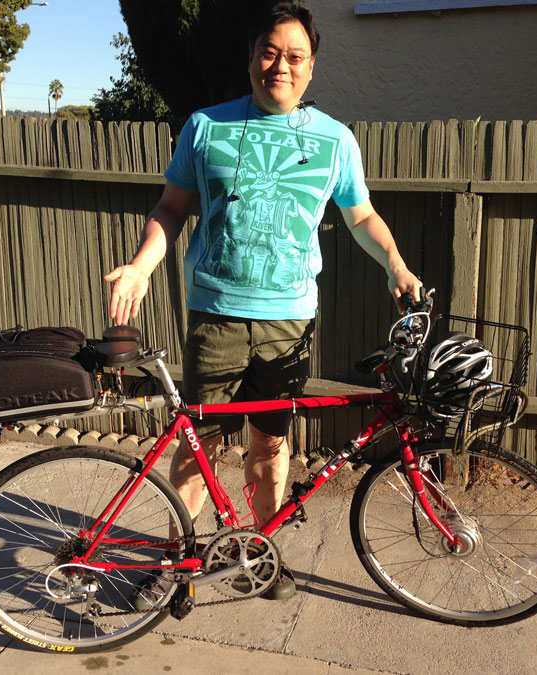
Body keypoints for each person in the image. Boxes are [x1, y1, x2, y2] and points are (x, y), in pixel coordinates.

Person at [104, 0, 422, 600]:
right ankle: (176, 561)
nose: (281, 65)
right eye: (269, 52)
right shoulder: (206, 127)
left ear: (311, 67)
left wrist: (397, 266)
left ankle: (258, 550)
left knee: (270, 444)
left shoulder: (335, 141)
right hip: (215, 314)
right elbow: (171, 209)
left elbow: (362, 218)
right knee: (200, 446)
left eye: (294, 56)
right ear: (251, 57)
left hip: (288, 321)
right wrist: (143, 267)